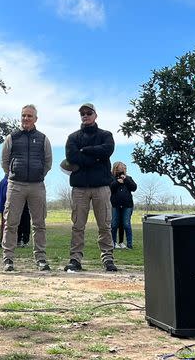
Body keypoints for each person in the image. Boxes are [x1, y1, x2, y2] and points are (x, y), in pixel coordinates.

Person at [63, 103, 118, 273]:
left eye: (88, 113)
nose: (85, 116)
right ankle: (75, 259)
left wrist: (85, 150)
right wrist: (95, 158)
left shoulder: (106, 135)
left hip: (101, 187)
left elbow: (107, 150)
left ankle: (108, 259)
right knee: (78, 225)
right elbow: (72, 156)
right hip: (79, 188)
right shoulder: (73, 137)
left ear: (95, 115)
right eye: (82, 114)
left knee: (105, 225)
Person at [0, 104, 53, 272]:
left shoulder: (43, 139)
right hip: (16, 185)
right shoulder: (12, 137)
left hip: (37, 186)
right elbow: (4, 161)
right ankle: (8, 259)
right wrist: (13, 173)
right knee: (11, 223)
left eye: (30, 116)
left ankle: (41, 258)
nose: (26, 118)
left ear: (36, 119)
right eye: (23, 115)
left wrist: (39, 175)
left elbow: (48, 162)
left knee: (39, 224)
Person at [110, 162, 137, 249]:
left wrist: (126, 180)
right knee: (114, 224)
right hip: (115, 205)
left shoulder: (128, 178)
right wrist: (117, 182)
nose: (122, 170)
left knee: (126, 224)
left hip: (127, 205)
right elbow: (109, 188)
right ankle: (113, 243)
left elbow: (134, 188)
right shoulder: (111, 178)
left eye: (123, 168)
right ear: (115, 168)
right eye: (120, 168)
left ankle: (129, 244)